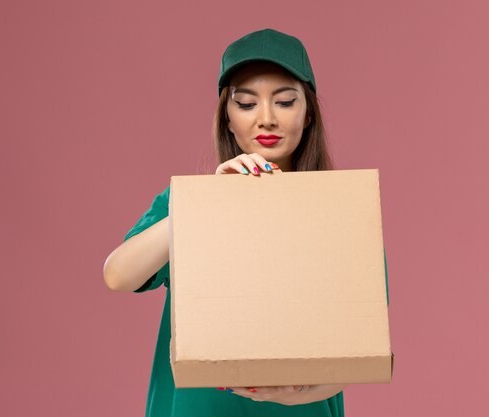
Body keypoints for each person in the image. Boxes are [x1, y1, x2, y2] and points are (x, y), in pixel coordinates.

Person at [104, 28, 353, 417]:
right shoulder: (188, 202)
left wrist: (285, 394)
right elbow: (119, 275)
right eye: (247, 104)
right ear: (228, 118)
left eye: (286, 102)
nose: (267, 119)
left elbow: (359, 351)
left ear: (308, 116)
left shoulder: (338, 213)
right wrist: (208, 205)